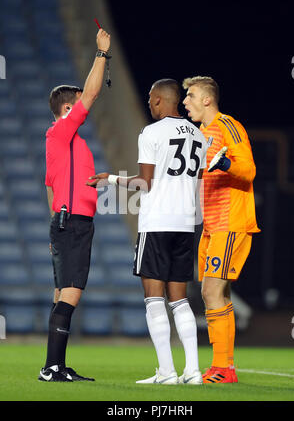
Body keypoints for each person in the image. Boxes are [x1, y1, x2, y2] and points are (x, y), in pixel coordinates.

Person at [87, 79, 208, 385]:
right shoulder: (198, 134)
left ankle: (167, 372)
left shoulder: (151, 132)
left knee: (154, 298)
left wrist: (111, 179)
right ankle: (193, 371)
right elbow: (199, 184)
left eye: (151, 99)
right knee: (180, 299)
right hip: (185, 223)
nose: (150, 104)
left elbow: (145, 182)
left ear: (158, 100)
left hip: (157, 223)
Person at [39, 28, 111, 382]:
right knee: (71, 293)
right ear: (67, 109)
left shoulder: (64, 141)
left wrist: (58, 220)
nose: (85, 107)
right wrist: (101, 54)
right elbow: (94, 91)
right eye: (79, 104)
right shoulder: (62, 131)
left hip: (67, 221)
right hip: (73, 222)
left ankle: (55, 366)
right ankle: (53, 368)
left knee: (62, 292)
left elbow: (50, 184)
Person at [182, 76, 260, 384]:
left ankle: (223, 368)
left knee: (210, 291)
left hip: (230, 222)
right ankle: (222, 368)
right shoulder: (202, 133)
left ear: (206, 100)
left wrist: (224, 162)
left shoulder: (229, 126)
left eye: (190, 96)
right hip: (211, 226)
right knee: (218, 293)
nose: (185, 101)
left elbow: (249, 170)